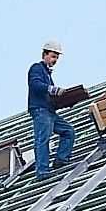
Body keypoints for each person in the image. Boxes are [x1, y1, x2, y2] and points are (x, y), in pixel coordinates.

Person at [27, 39, 76, 178]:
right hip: (41, 110)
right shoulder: (36, 68)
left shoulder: (48, 75)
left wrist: (66, 101)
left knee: (68, 131)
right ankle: (42, 171)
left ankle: (61, 160)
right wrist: (53, 89)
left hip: (49, 111)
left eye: (57, 57)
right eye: (53, 56)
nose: (55, 60)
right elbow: (35, 85)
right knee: (43, 138)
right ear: (45, 54)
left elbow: (51, 97)